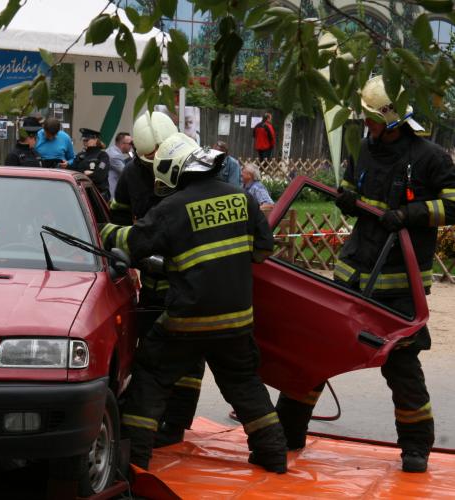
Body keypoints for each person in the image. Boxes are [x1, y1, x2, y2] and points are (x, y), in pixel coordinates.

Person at [275, 75, 455, 474]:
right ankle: (287, 432)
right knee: (316, 353)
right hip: (353, 275)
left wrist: (410, 214)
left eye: (372, 119)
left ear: (391, 120)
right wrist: (348, 201)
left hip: (399, 284)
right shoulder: (363, 148)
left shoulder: (431, 158)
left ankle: (415, 449)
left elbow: (453, 207)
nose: (366, 126)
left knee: (402, 368)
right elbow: (346, 187)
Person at [99, 133, 287, 473]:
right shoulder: (241, 198)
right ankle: (273, 454)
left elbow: (134, 243)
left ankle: (134, 463)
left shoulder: (171, 208)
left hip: (187, 319)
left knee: (151, 378)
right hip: (237, 320)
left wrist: (102, 230)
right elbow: (262, 251)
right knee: (245, 384)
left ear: (172, 170)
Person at [110, 112, 205, 449]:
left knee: (190, 358)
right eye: (146, 158)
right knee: (151, 352)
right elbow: (118, 215)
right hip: (152, 279)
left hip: (189, 277)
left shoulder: (193, 168)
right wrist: (128, 248)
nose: (154, 164)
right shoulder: (132, 174)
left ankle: (176, 424)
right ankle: (145, 426)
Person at [73, 128, 110, 200]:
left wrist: (82, 175)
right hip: (82, 194)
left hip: (98, 194)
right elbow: (74, 173)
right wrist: (85, 173)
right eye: (83, 140)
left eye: (87, 140)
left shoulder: (103, 155)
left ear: (95, 140)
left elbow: (99, 176)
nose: (85, 142)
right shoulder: (80, 155)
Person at [105, 132, 132, 200]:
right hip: (112, 193)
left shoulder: (111, 150)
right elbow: (126, 173)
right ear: (122, 144)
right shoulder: (115, 156)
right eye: (130, 144)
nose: (131, 146)